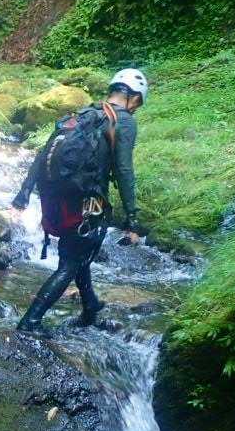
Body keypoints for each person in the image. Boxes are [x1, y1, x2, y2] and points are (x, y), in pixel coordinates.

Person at [11, 68, 149, 333]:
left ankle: (90, 307)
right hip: (87, 202)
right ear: (133, 97)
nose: (136, 109)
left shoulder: (85, 115)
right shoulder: (123, 121)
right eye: (138, 103)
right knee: (71, 262)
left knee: (78, 250)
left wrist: (23, 194)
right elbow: (124, 170)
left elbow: (42, 155)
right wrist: (132, 218)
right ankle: (30, 321)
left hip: (55, 196)